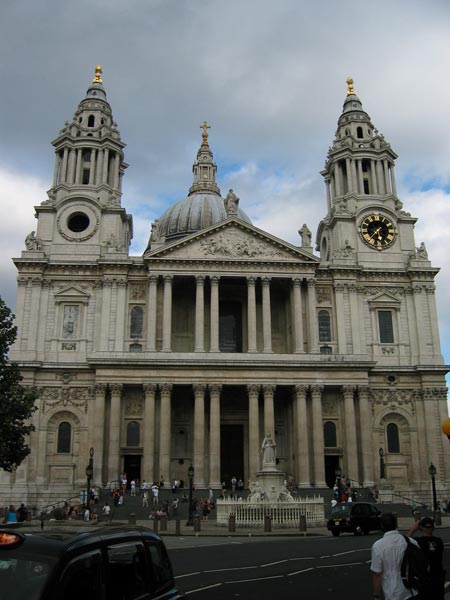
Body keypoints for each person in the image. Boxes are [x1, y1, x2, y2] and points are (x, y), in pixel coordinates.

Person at [371, 512, 419, 600]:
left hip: (392, 591)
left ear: (382, 526)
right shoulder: (411, 542)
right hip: (412, 589)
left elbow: (377, 573)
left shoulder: (378, 546)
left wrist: (376, 595)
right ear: (396, 524)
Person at [407, 516, 445, 599]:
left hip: (424, 579)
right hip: (438, 578)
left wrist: (414, 528)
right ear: (433, 527)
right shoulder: (439, 541)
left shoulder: (417, 542)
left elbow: (405, 540)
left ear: (421, 528)